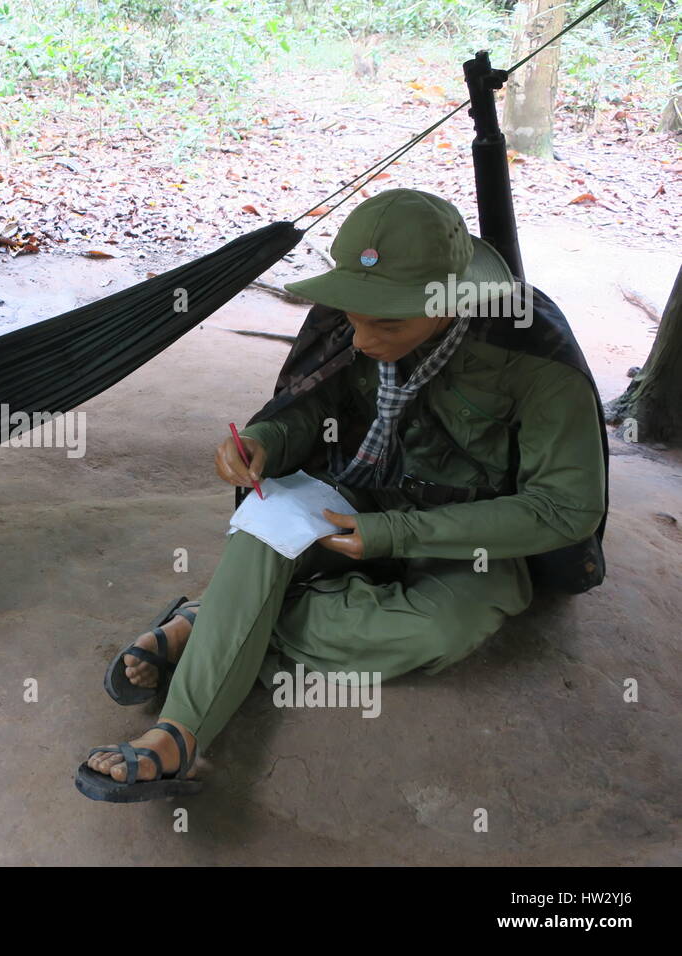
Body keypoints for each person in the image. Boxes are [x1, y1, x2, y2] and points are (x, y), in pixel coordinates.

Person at [75, 188, 607, 802]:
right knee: (265, 523)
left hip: (470, 536)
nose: (359, 338)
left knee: (434, 632)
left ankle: (215, 623)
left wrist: (397, 535)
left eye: (387, 321)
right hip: (356, 492)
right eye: (355, 315)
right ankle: (179, 737)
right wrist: (265, 440)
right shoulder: (350, 313)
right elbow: (314, 406)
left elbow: (564, 509)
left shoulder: (532, 356)